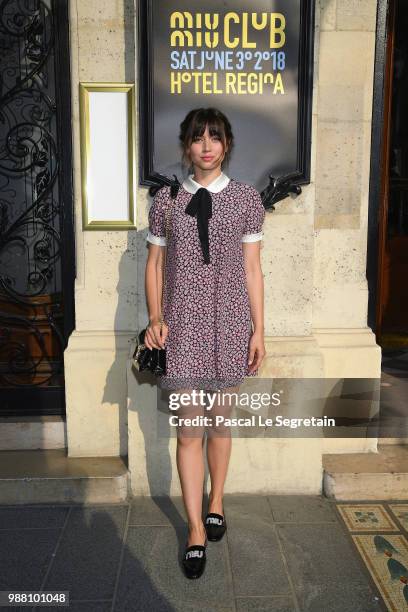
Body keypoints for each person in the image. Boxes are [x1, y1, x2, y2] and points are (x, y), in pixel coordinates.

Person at [144, 107, 265, 579]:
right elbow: (154, 266)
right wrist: (156, 317)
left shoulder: (247, 200)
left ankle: (217, 500)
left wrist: (259, 328)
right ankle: (196, 528)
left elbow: (252, 270)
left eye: (215, 137)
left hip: (231, 326)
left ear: (227, 144)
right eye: (198, 138)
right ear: (187, 147)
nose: (207, 145)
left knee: (219, 423)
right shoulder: (166, 201)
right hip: (184, 332)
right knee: (189, 430)